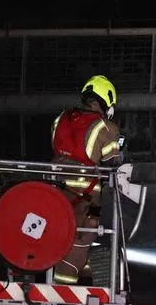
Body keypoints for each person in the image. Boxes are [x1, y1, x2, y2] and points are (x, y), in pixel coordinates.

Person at [50, 75, 122, 285]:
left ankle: (85, 280)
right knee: (82, 239)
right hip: (84, 196)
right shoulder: (106, 127)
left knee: (65, 238)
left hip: (53, 190)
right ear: (106, 100)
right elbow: (113, 166)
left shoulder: (61, 118)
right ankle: (63, 291)